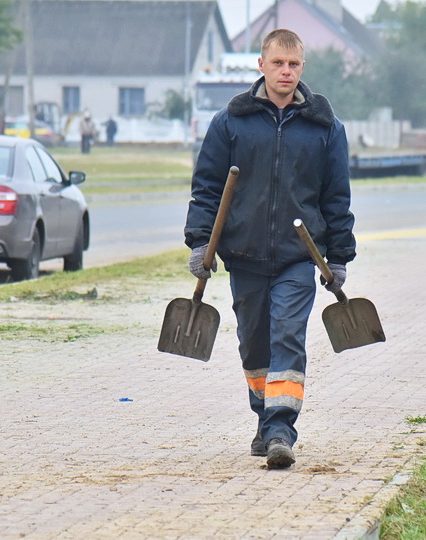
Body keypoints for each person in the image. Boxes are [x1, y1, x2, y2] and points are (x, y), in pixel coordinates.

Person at [184, 29, 355, 469]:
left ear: (302, 67)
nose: (286, 72)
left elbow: (337, 197)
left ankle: (282, 428)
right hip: (244, 254)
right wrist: (200, 242)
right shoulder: (231, 122)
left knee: (287, 336)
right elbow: (206, 188)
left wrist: (338, 257)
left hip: (300, 257)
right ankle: (264, 420)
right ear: (261, 65)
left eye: (294, 64)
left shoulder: (325, 128)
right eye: (278, 63)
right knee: (254, 343)